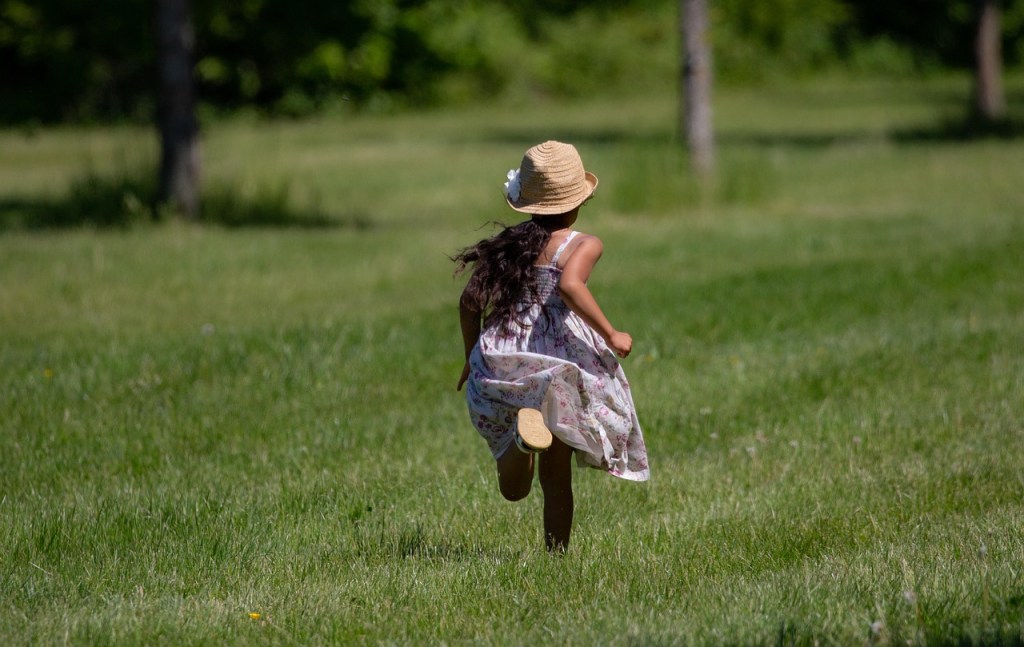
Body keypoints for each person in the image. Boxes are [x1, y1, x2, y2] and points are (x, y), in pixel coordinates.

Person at [454, 140, 649, 553]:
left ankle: (523, 442)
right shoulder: (582, 244)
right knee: (557, 476)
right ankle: (556, 557)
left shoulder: (509, 245)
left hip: (507, 356)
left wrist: (471, 357)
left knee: (514, 489)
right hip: (556, 362)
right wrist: (612, 334)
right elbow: (569, 284)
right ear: (578, 201)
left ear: (526, 203)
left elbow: (470, 302)